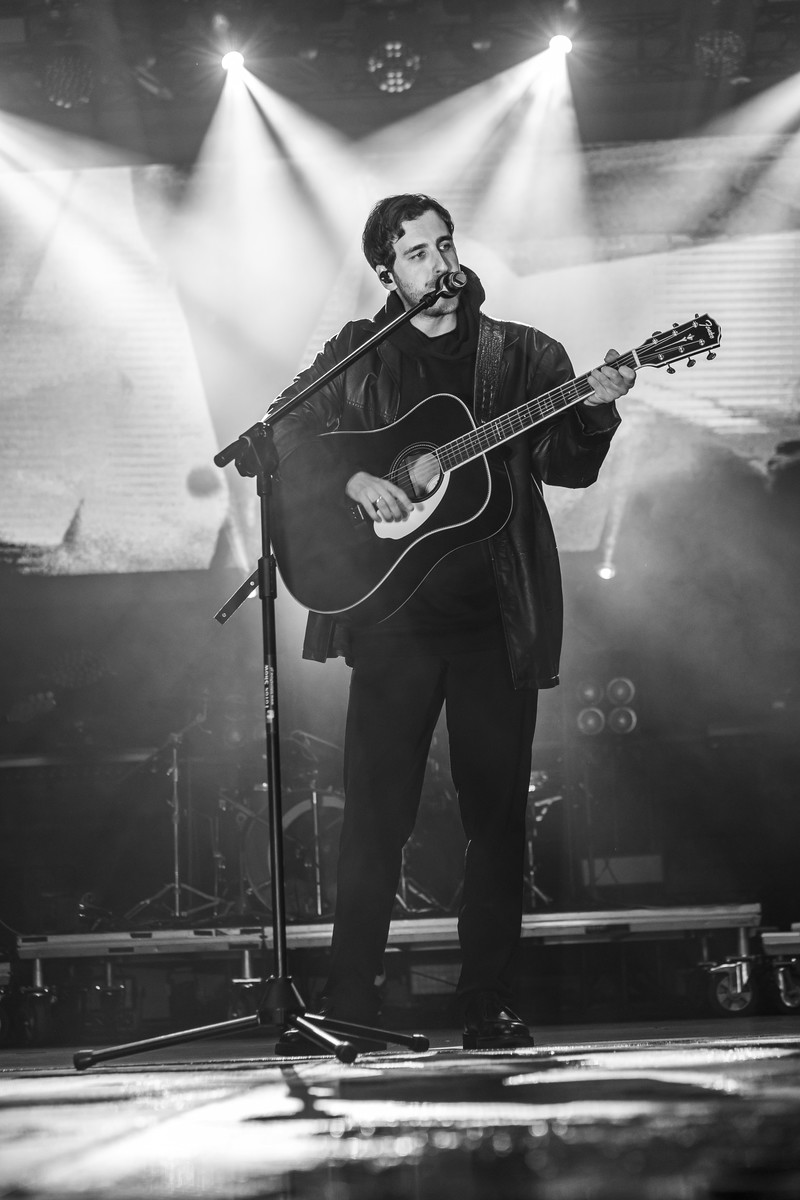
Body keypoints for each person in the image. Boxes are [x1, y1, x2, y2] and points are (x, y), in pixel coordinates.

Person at [263, 193, 635, 1050]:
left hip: (493, 621)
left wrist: (598, 407)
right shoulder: (356, 355)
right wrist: (352, 479)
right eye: (419, 254)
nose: (442, 265)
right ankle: (349, 1002)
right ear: (387, 273)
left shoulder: (526, 356)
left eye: (446, 245)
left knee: (494, 821)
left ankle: (486, 1001)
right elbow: (282, 429)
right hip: (388, 619)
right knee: (374, 820)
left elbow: (567, 466)